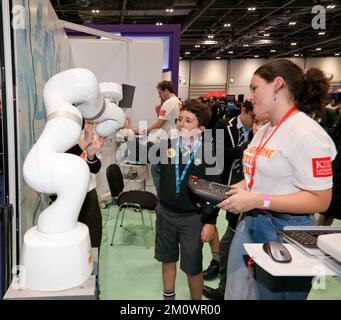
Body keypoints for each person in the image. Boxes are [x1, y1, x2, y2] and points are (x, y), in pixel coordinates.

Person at [218, 59, 336, 300]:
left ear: (278, 85)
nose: (249, 97)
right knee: (238, 293)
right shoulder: (265, 130)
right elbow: (255, 177)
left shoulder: (306, 134)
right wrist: (233, 191)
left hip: (285, 232)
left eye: (254, 88)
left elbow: (320, 200)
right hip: (252, 222)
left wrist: (258, 199)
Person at [155, 100, 220, 300]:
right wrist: (164, 195)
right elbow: (157, 171)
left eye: (188, 121)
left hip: (192, 218)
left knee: (193, 267)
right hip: (165, 213)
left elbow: (214, 192)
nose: (181, 124)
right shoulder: (167, 147)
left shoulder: (209, 155)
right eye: (180, 119)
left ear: (200, 129)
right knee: (167, 260)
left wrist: (209, 222)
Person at [203, 100, 255, 299]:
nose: (254, 123)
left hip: (244, 193)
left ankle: (222, 272)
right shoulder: (223, 125)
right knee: (210, 222)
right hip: (221, 182)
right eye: (252, 118)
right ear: (243, 111)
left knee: (230, 238)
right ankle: (216, 262)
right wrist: (246, 148)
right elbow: (218, 153)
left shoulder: (261, 132)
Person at [50, 121, 105, 251]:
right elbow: (61, 163)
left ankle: (94, 270)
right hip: (62, 197)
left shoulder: (88, 131)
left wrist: (91, 154)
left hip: (87, 194)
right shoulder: (56, 133)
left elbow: (95, 168)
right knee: (65, 245)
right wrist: (82, 145)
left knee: (93, 242)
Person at [133, 80, 181, 195]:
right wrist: (158, 112)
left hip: (169, 140)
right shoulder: (178, 101)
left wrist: (142, 131)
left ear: (165, 91)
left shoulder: (169, 103)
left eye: (160, 93)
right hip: (174, 139)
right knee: (160, 167)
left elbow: (159, 124)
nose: (159, 96)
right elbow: (165, 122)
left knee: (156, 167)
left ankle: (161, 197)